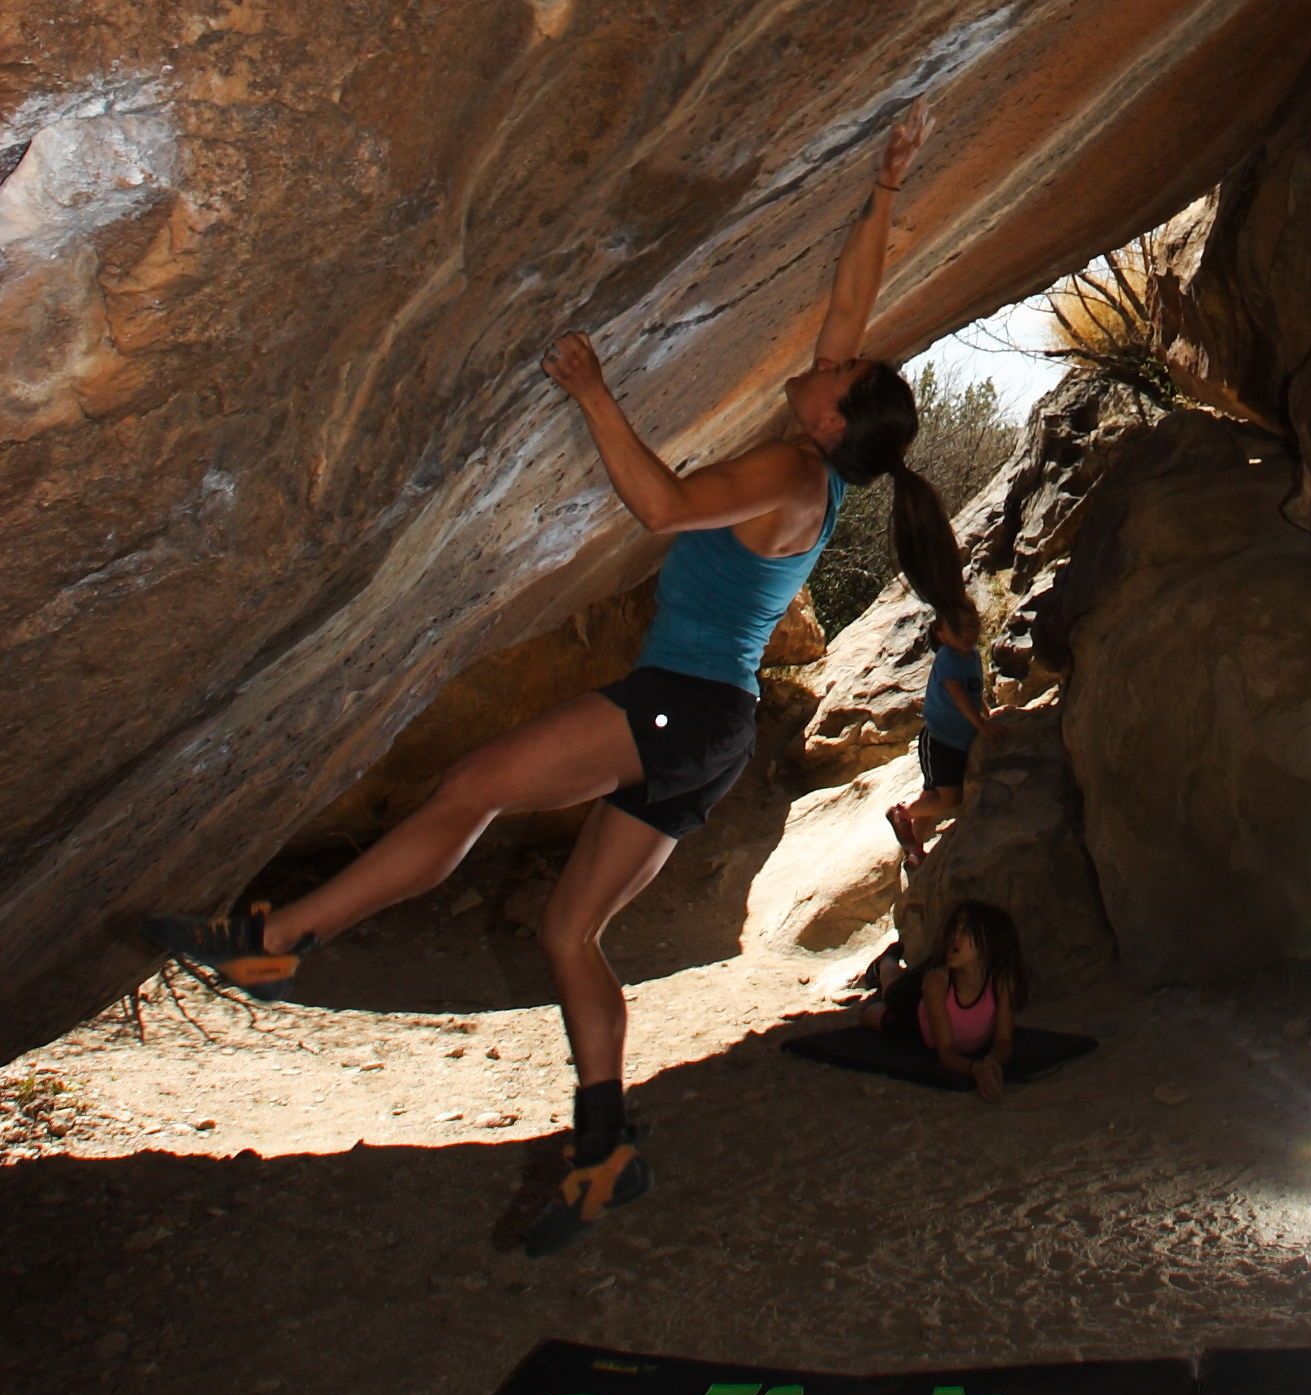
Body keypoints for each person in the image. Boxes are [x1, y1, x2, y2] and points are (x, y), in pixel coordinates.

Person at [140, 103, 954, 1254]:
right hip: (706, 736)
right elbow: (852, 301)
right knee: (572, 935)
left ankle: (285, 937)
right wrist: (884, 188)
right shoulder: (825, 460)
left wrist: (590, 390)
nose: (828, 357)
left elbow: (664, 506)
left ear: (834, 417)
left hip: (680, 705)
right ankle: (604, 1144)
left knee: (470, 783)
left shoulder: (784, 466)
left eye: (840, 373)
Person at [864, 897, 1023, 1100]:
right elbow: (945, 1052)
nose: (954, 937)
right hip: (915, 1019)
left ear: (990, 944)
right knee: (887, 999)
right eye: (954, 930)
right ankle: (886, 963)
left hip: (940, 995)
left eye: (965, 931)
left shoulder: (1001, 982)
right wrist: (976, 1069)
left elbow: (1004, 1041)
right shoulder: (937, 982)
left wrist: (991, 1064)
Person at [887, 569, 985, 864]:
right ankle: (901, 814)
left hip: (954, 740)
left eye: (972, 625)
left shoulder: (972, 656)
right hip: (942, 741)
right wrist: (981, 723)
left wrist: (986, 715)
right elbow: (957, 694)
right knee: (949, 799)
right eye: (957, 629)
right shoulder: (948, 659)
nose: (967, 633)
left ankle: (914, 852)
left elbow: (974, 692)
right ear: (940, 635)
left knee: (932, 796)